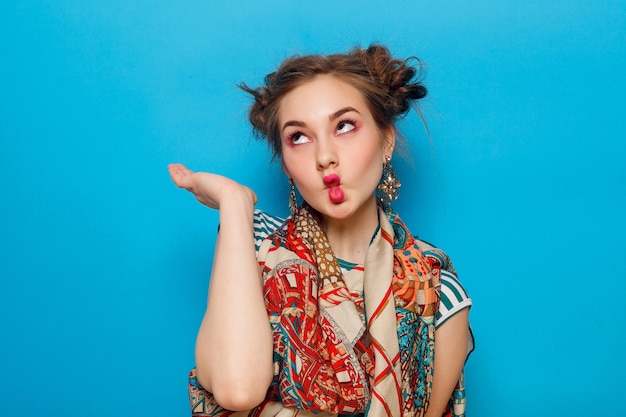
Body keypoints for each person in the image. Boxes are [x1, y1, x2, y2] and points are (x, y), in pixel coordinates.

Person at [169, 44, 473, 417]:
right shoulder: (254, 245)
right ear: (285, 165)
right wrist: (235, 205)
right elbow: (236, 388)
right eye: (299, 137)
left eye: (344, 126)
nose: (324, 156)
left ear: (386, 141)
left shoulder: (436, 285)